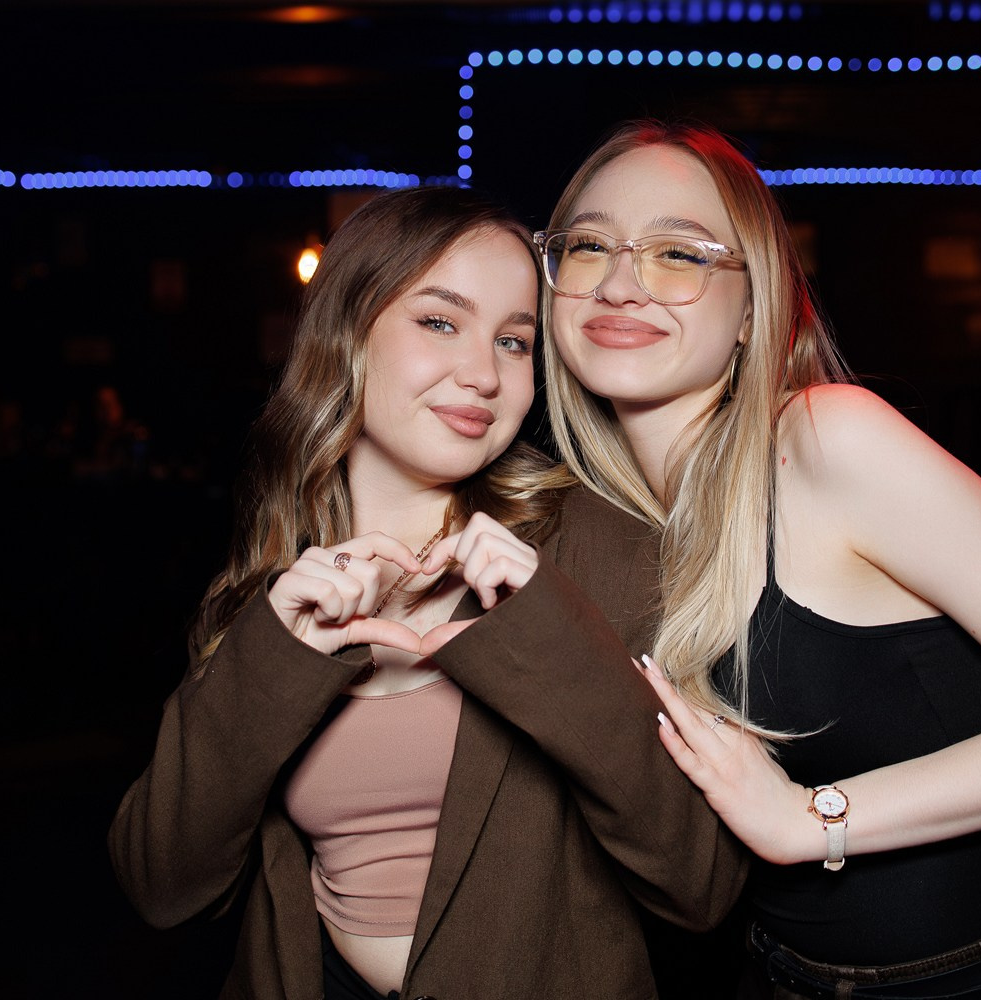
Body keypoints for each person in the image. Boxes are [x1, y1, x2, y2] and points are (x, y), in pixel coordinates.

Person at [536, 120, 981, 1000]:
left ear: (753, 308)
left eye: (678, 253)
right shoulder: (612, 518)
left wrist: (813, 820)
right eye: (588, 245)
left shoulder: (825, 441)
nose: (619, 283)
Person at [108, 185, 744, 1000]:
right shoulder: (279, 585)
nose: (482, 374)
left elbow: (701, 885)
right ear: (347, 333)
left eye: (513, 342)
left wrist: (550, 636)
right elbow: (161, 886)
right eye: (440, 322)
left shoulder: (595, 549)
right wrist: (273, 658)